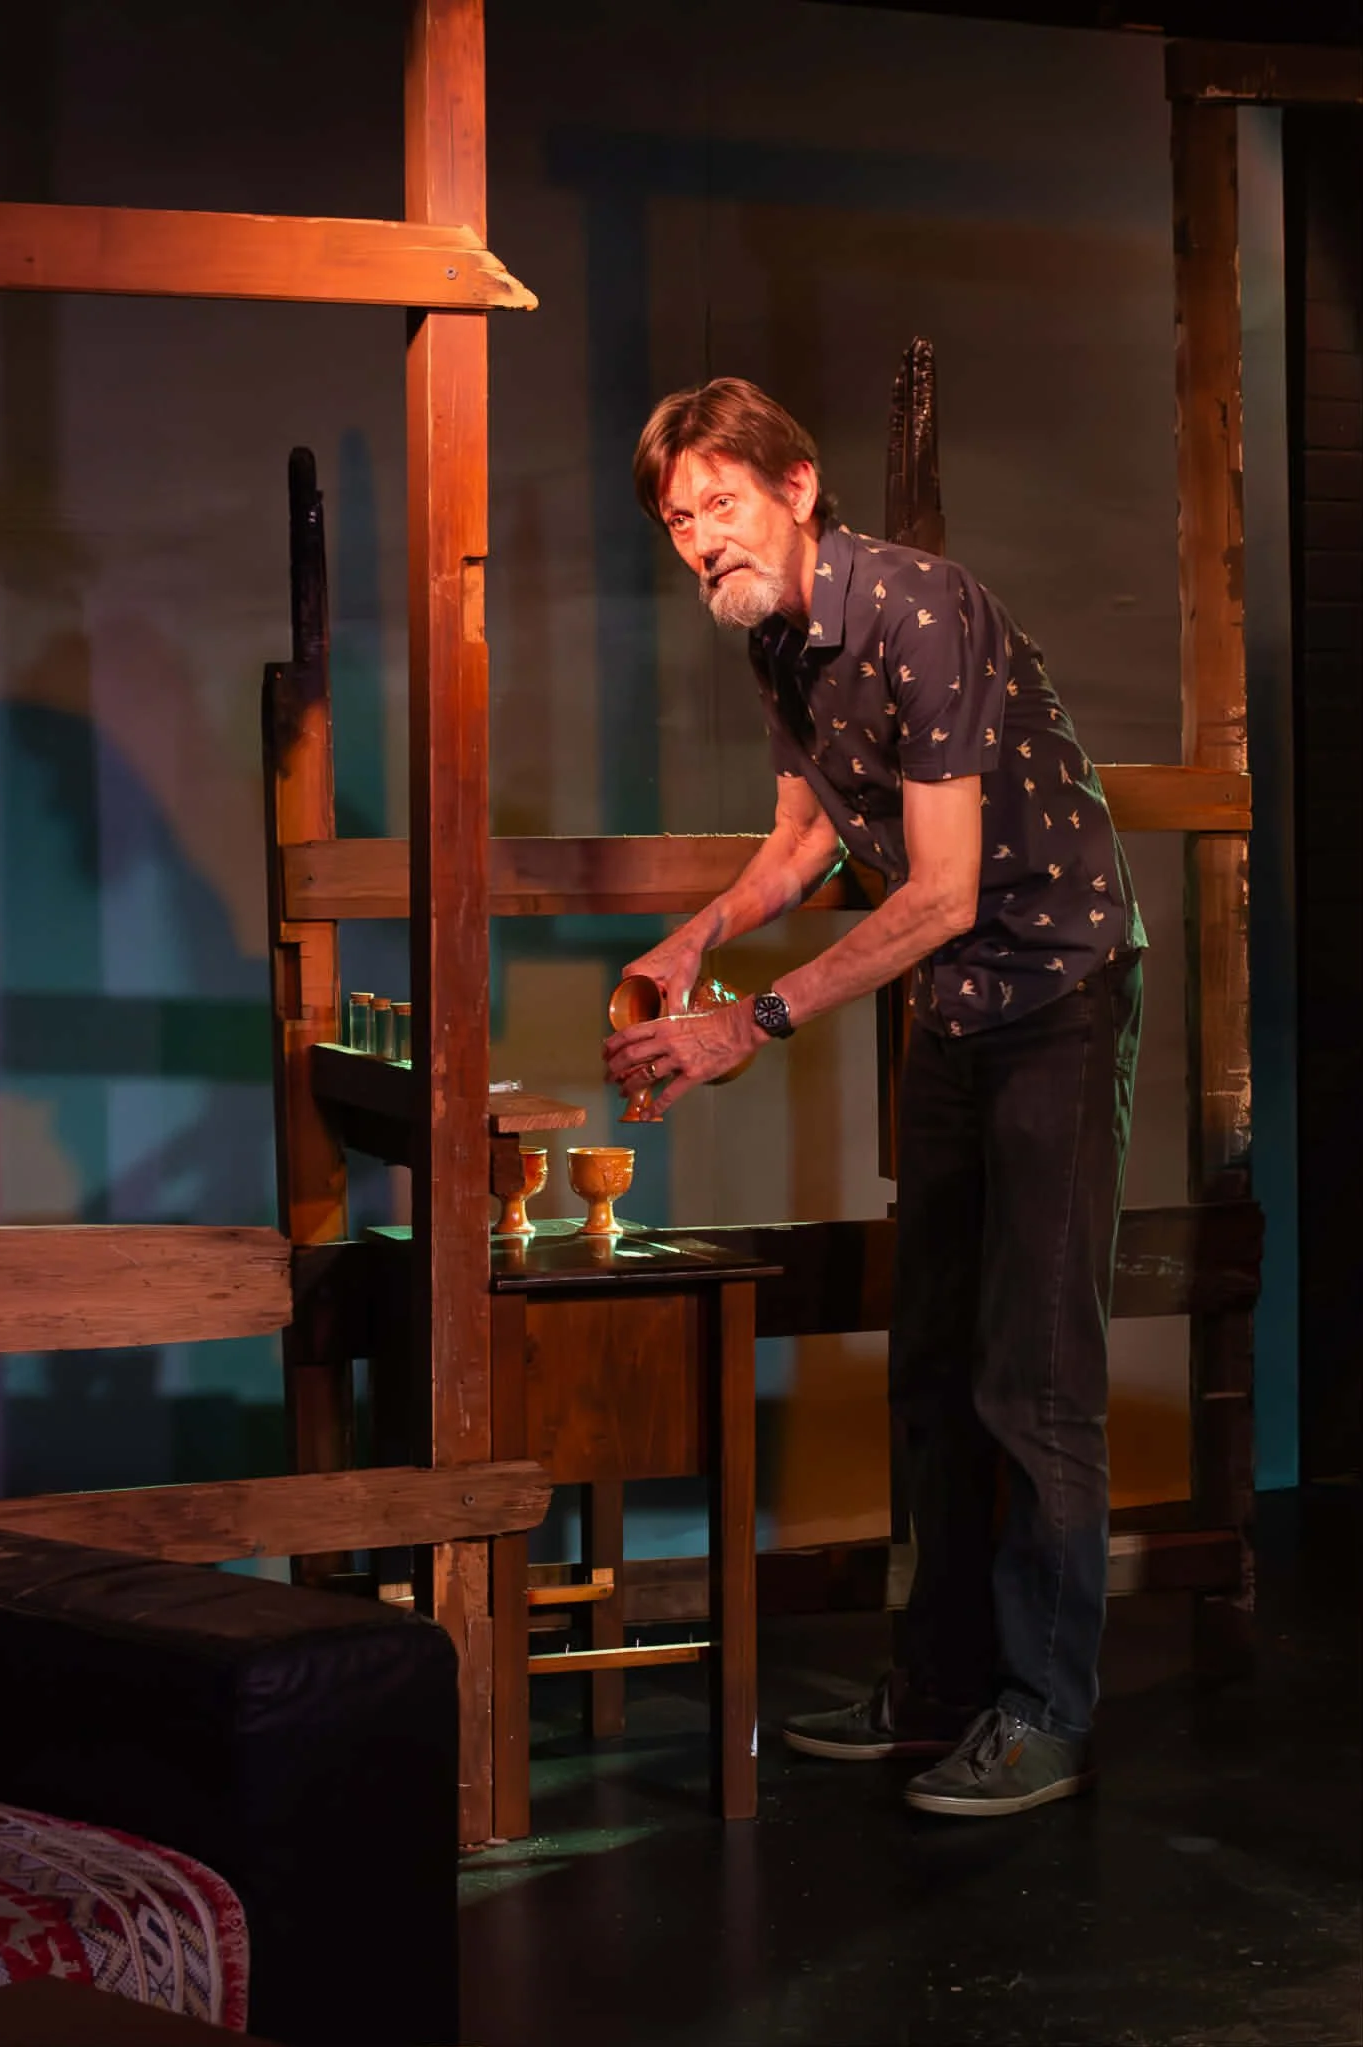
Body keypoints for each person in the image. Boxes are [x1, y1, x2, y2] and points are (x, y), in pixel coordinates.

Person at [604, 377, 1144, 1818]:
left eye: (722, 502)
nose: (703, 537)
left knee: (1032, 1374)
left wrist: (751, 1024)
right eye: (678, 520)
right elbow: (806, 844)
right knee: (929, 1367)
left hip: (1054, 999)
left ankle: (1046, 1708)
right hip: (956, 1016)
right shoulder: (778, 643)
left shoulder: (918, 607)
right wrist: (700, 938)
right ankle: (942, 1686)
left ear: (798, 487)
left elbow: (946, 887)